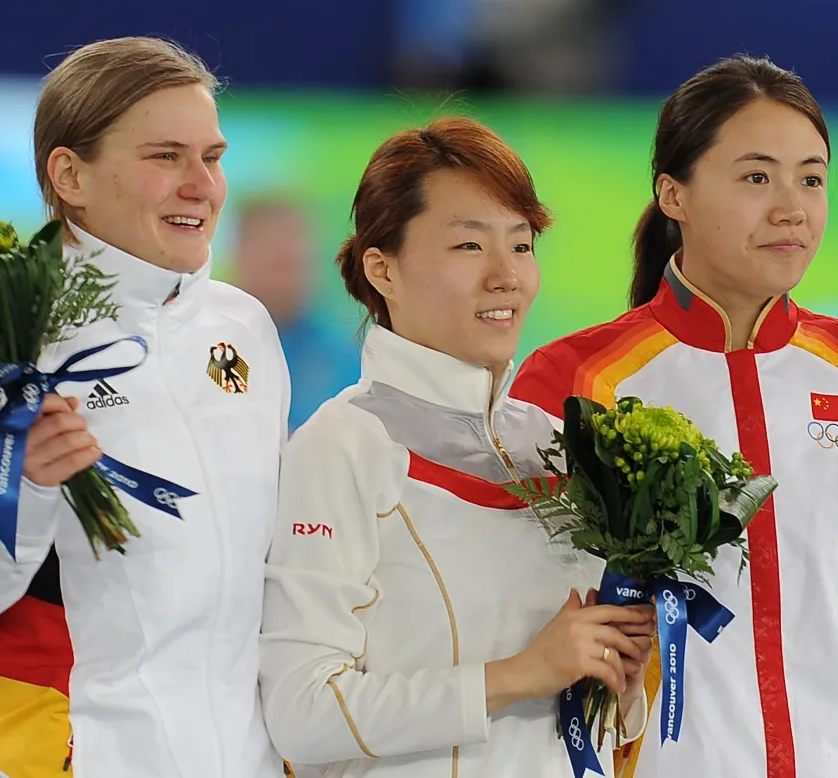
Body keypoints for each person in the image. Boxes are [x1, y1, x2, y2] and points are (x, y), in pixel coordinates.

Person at [509, 55, 838, 778]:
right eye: (756, 177)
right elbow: (491, 590)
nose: (791, 206)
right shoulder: (576, 382)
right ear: (674, 194)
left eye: (811, 178)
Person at [0, 37, 290, 778]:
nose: (202, 186)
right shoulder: (2, 344)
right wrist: (21, 502)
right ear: (70, 174)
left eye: (212, 156)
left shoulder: (242, 329)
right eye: (165, 156)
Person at [259, 117, 656, 778]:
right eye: (469, 246)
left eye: (522, 245)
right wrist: (520, 673)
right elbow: (300, 712)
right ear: (381, 268)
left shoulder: (558, 446)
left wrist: (617, 675)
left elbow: (582, 725)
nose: (506, 276)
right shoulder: (344, 446)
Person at [232, 196, 361, 431]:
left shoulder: (345, 356)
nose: (289, 280)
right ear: (241, 258)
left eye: (296, 263)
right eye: (277, 265)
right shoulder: (211, 348)